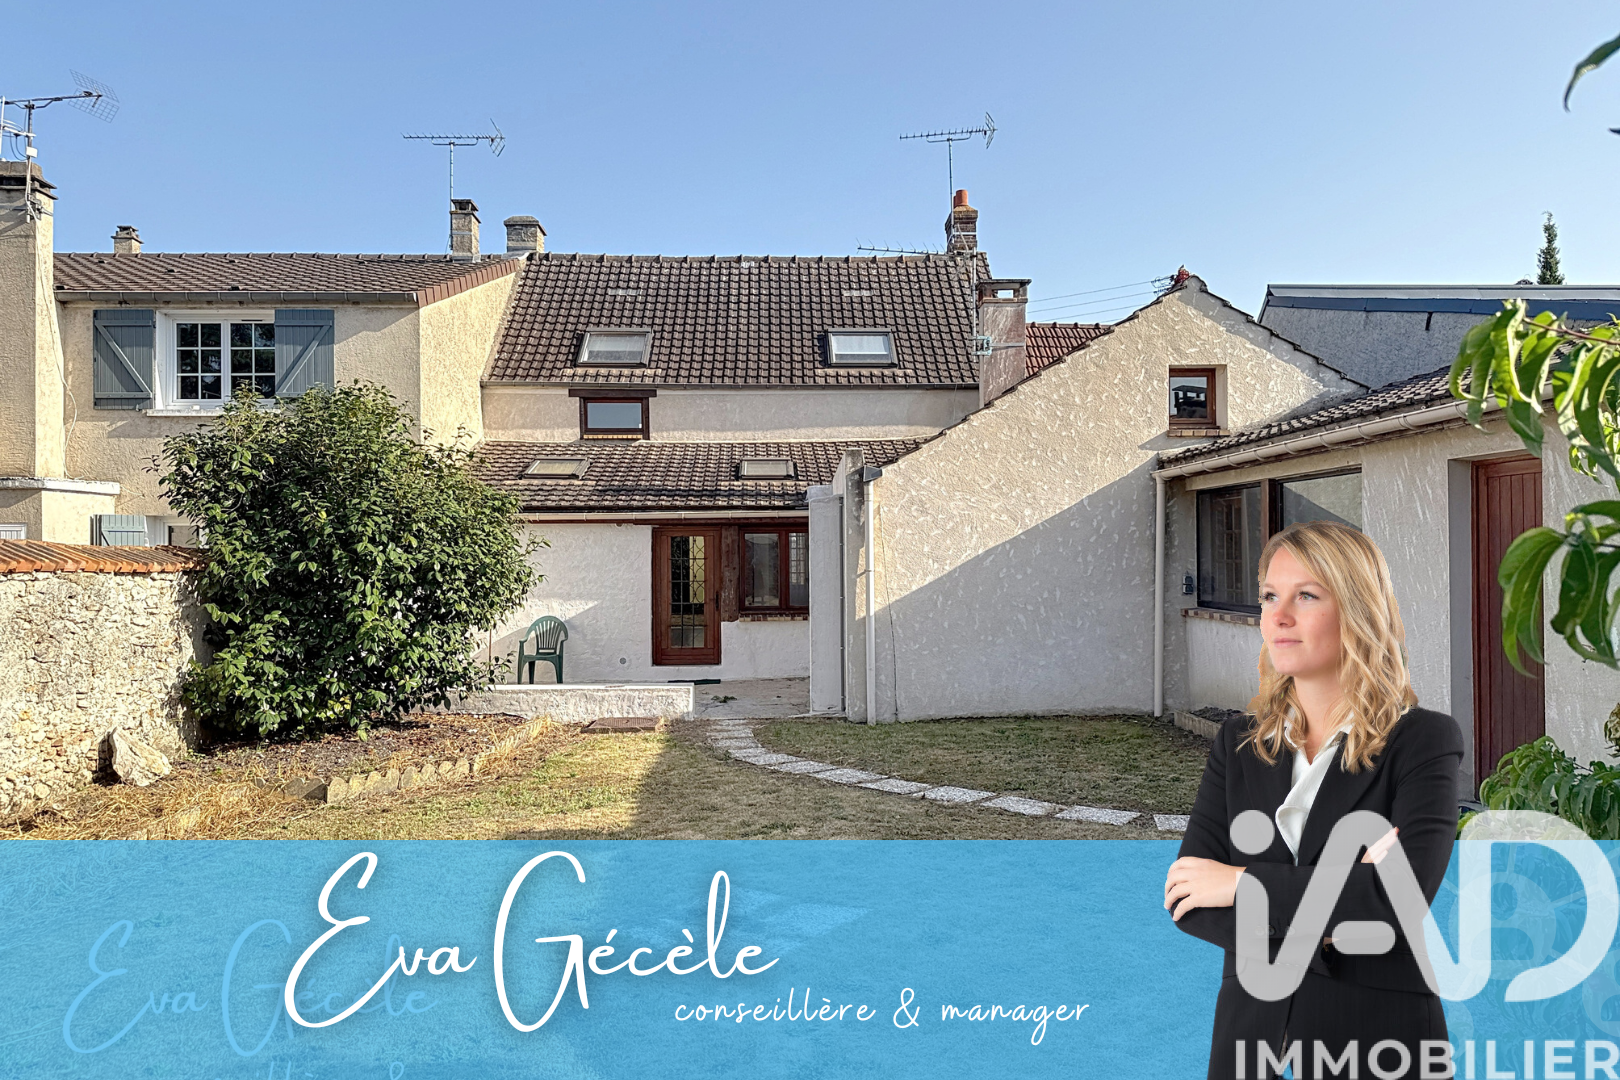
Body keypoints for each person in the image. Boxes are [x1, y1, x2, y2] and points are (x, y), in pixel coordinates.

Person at [1163, 521, 1462, 1080]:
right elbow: (1188, 900)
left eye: (1305, 596)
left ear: (1356, 610)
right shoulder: (1238, 744)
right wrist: (1338, 903)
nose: (1277, 616)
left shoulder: (1422, 740)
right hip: (1248, 1042)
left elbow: (1397, 900)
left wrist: (1240, 883)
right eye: (1268, 596)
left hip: (1378, 1039)